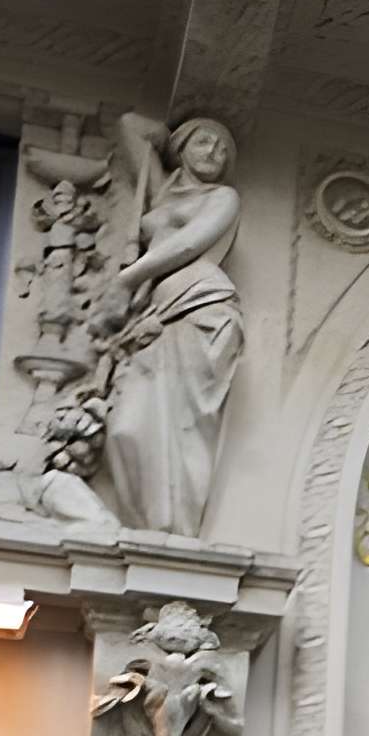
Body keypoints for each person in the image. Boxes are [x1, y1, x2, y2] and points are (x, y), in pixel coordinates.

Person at [89, 115, 244, 538]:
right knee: (125, 430)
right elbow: (127, 125)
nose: (214, 152)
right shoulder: (163, 193)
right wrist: (158, 135)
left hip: (201, 311)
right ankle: (150, 532)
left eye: (222, 149)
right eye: (203, 142)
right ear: (181, 149)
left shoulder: (223, 197)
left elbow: (189, 243)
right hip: (154, 321)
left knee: (185, 429)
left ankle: (173, 531)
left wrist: (129, 277)